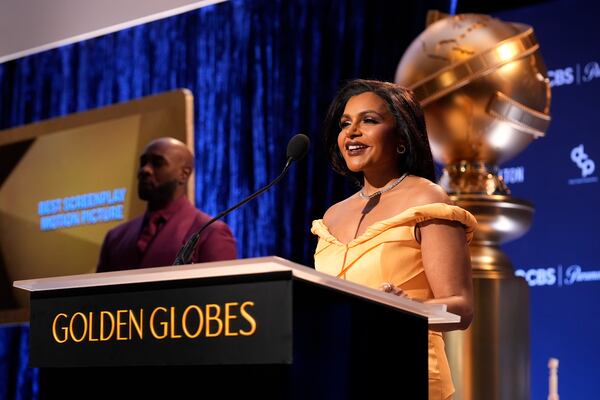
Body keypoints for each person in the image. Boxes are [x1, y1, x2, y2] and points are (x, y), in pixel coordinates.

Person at [311, 79, 476, 400]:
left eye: (369, 120)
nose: (352, 132)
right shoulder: (331, 216)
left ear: (401, 137)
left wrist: (405, 309)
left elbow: (461, 309)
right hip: (338, 376)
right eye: (346, 124)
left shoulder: (427, 199)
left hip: (406, 372)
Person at [97, 137, 237, 272]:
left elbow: (220, 295)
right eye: (143, 163)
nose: (145, 170)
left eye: (157, 163)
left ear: (184, 174)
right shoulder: (115, 237)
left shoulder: (211, 233)